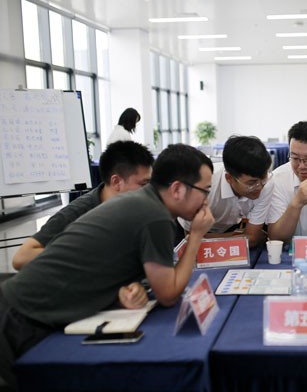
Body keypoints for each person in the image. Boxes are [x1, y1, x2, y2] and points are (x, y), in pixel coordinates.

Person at [0, 144, 215, 391]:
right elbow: (168, 294)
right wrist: (196, 236)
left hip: (27, 309)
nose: (206, 201)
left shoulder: (144, 203)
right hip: (22, 317)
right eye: (205, 191)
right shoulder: (155, 216)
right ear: (177, 189)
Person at [11, 141, 155, 271]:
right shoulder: (77, 213)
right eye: (143, 184)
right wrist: (85, 256)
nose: (149, 190)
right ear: (116, 182)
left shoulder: (138, 208)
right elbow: (21, 257)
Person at [179, 135, 273, 247]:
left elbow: (252, 238)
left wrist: (214, 238)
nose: (259, 187)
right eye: (251, 183)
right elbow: (191, 239)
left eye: (263, 179)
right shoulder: (204, 186)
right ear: (229, 178)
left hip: (229, 227)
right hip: (186, 229)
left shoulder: (266, 185)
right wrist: (237, 236)